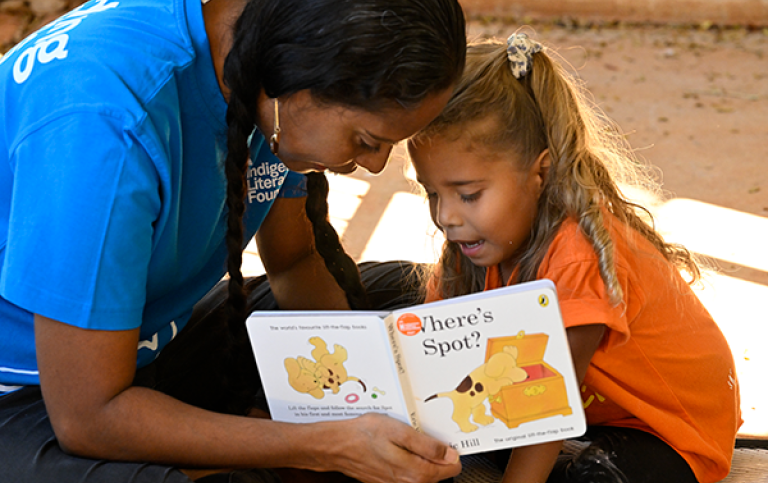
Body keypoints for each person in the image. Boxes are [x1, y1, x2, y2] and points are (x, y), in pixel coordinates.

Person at [0, 0, 467, 481]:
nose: (374, 166)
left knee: (408, 299)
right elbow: (87, 415)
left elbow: (295, 261)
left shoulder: (263, 54)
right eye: (368, 140)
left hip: (148, 341)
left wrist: (363, 393)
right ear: (296, 78)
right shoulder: (106, 126)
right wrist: (322, 445)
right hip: (32, 390)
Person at [407, 33, 741, 483]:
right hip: (592, 417)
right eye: (432, 193)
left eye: (468, 194)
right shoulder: (472, 247)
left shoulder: (576, 254)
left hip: (670, 432)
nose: (445, 216)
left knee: (594, 477)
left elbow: (546, 403)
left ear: (540, 172)